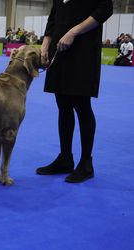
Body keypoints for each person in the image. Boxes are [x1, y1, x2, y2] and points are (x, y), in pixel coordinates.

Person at [36, 0, 113, 183]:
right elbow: (53, 18)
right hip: (59, 49)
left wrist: (73, 31)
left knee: (82, 105)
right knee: (62, 104)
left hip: (83, 49)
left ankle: (86, 163)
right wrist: (45, 46)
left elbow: (105, 9)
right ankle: (65, 158)